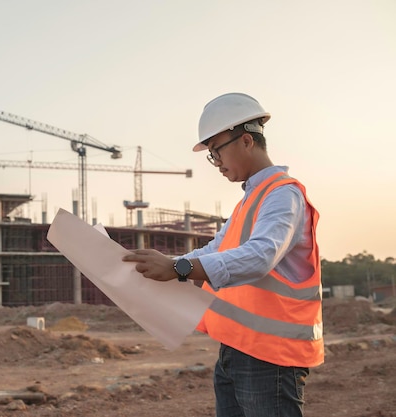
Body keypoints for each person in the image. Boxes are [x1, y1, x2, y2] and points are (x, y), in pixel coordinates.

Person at [122, 92, 323, 417]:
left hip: (271, 355)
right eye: (211, 155)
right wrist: (162, 265)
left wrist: (179, 268)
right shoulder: (250, 200)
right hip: (237, 350)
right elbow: (215, 250)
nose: (215, 163)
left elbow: (261, 256)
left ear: (246, 141)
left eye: (216, 151)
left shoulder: (282, 195)